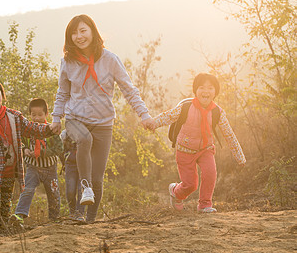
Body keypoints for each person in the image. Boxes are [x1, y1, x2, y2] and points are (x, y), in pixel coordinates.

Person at [50, 14, 155, 223]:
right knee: (84, 140)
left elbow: (129, 90)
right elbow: (62, 93)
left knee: (98, 177)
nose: (79, 36)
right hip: (75, 119)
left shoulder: (110, 59)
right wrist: (56, 118)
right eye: (74, 32)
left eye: (83, 30)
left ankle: (89, 221)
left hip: (104, 123)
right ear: (69, 37)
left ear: (92, 32)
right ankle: (83, 191)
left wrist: (144, 114)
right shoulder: (67, 62)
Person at [0, 78, 54, 234]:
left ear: (2, 94)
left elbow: (31, 128)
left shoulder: (14, 116)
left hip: (10, 170)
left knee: (6, 204)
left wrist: (49, 129)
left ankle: (2, 233)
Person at [151, 73, 246, 213]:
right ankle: (175, 191)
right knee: (191, 185)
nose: (206, 91)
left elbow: (229, 135)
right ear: (195, 90)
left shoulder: (217, 112)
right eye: (201, 87)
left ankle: (205, 205)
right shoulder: (185, 107)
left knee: (210, 173)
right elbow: (168, 116)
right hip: (184, 150)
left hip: (205, 149)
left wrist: (240, 156)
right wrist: (152, 123)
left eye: (210, 88)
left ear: (215, 92)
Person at [12, 98, 63, 223]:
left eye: (40, 115)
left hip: (50, 169)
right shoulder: (28, 130)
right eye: (33, 115)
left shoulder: (51, 130)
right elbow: (20, 143)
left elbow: (59, 148)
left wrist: (43, 153)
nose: (36, 118)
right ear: (29, 115)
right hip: (33, 167)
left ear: (46, 114)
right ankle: (19, 215)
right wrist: (24, 151)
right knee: (27, 189)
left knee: (54, 194)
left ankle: (54, 219)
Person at [61, 130, 85, 221]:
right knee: (70, 190)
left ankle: (80, 213)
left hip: (83, 164)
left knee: (81, 189)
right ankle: (72, 211)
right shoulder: (65, 134)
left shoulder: (86, 132)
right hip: (70, 165)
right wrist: (64, 162)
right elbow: (60, 149)